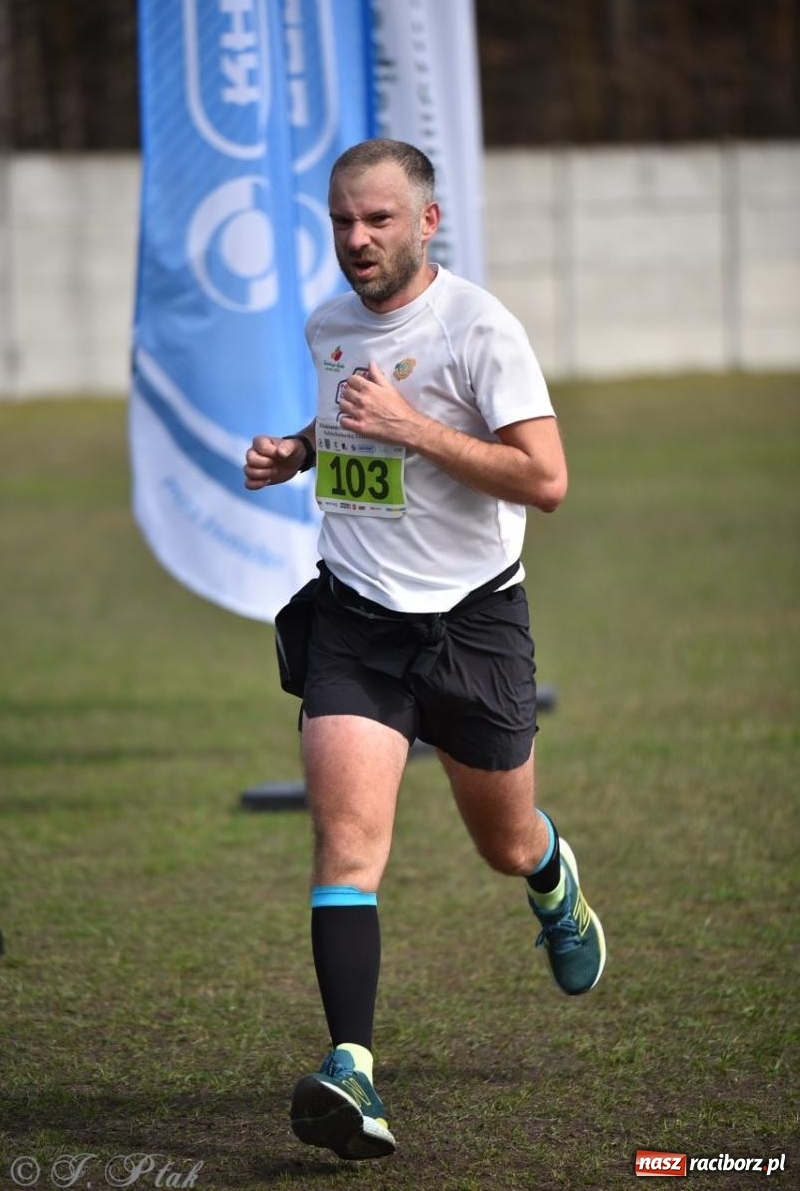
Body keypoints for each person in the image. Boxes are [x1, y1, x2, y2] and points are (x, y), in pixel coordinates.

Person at [243, 138, 605, 1162]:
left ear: (426, 222)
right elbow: (343, 425)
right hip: (355, 619)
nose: (356, 240)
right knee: (346, 847)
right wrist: (299, 449)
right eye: (341, 222)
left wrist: (411, 427)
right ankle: (350, 1068)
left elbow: (545, 480)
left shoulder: (481, 328)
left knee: (501, 841)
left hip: (473, 622)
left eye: (379, 220)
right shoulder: (327, 326)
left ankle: (550, 874)